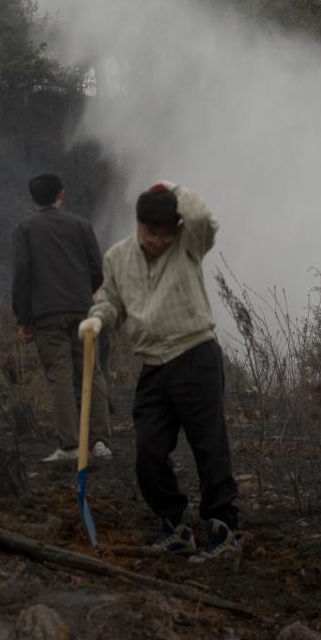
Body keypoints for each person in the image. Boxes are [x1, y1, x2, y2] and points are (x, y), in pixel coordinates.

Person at [79, 181, 239, 561]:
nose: (157, 242)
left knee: (209, 448)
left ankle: (224, 530)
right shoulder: (117, 258)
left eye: (164, 235)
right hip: (153, 365)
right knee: (148, 451)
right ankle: (175, 525)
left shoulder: (188, 243)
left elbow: (202, 217)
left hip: (195, 355)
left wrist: (173, 190)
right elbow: (111, 303)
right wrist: (97, 321)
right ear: (138, 225)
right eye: (151, 234)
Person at [12, 172, 111, 462]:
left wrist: (24, 318)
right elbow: (97, 270)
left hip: (46, 315)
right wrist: (83, 293)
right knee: (91, 373)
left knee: (60, 377)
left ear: (32, 199)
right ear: (61, 195)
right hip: (83, 311)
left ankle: (69, 446)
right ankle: (100, 442)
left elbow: (22, 275)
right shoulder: (81, 225)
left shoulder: (25, 229)